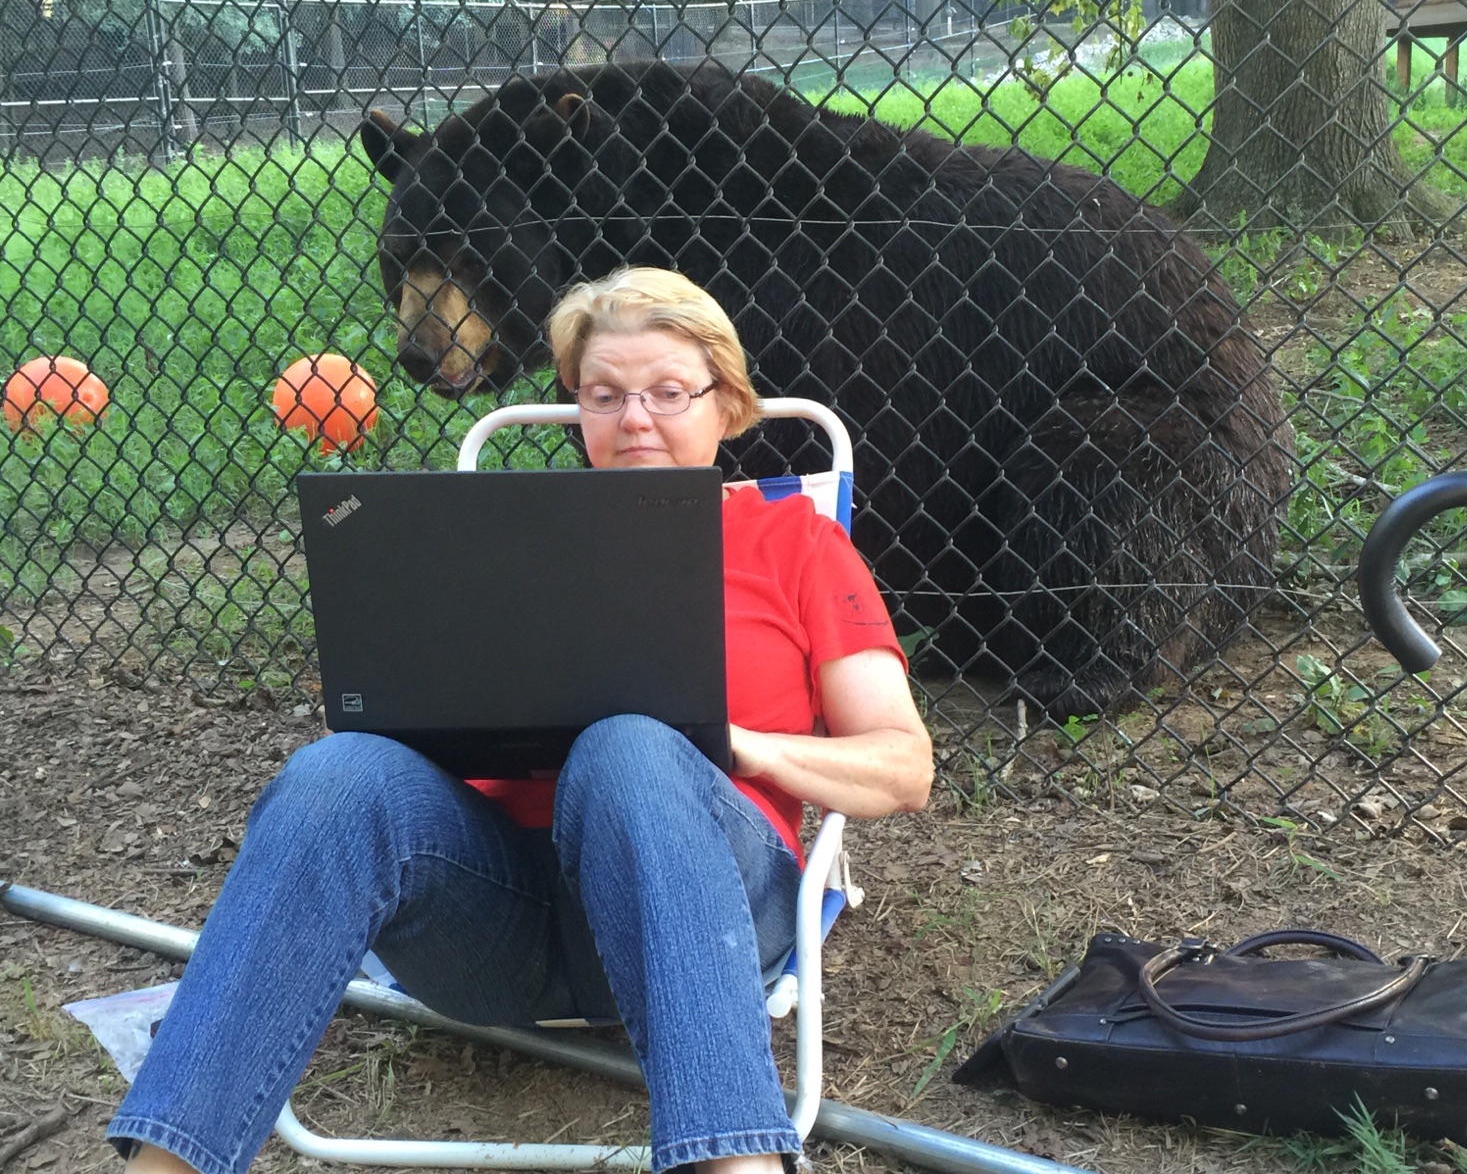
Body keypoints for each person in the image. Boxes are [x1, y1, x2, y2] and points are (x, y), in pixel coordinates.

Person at [110, 266, 934, 1174]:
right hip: (496, 927)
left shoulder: (796, 544)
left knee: (632, 745)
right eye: (604, 394)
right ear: (576, 407)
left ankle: (733, 1165)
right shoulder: (494, 544)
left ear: (728, 404)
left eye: (668, 392)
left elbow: (903, 767)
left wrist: (734, 746)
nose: (635, 420)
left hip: (710, 901)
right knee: (335, 771)